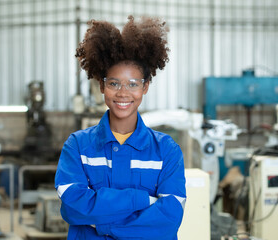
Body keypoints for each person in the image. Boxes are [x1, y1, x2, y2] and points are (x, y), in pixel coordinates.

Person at [55, 15, 186, 240]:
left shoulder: (166, 150)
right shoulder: (77, 146)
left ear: (145, 87)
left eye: (133, 84)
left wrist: (104, 226)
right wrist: (142, 200)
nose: (123, 93)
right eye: (114, 83)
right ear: (102, 86)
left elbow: (170, 216)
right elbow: (72, 207)